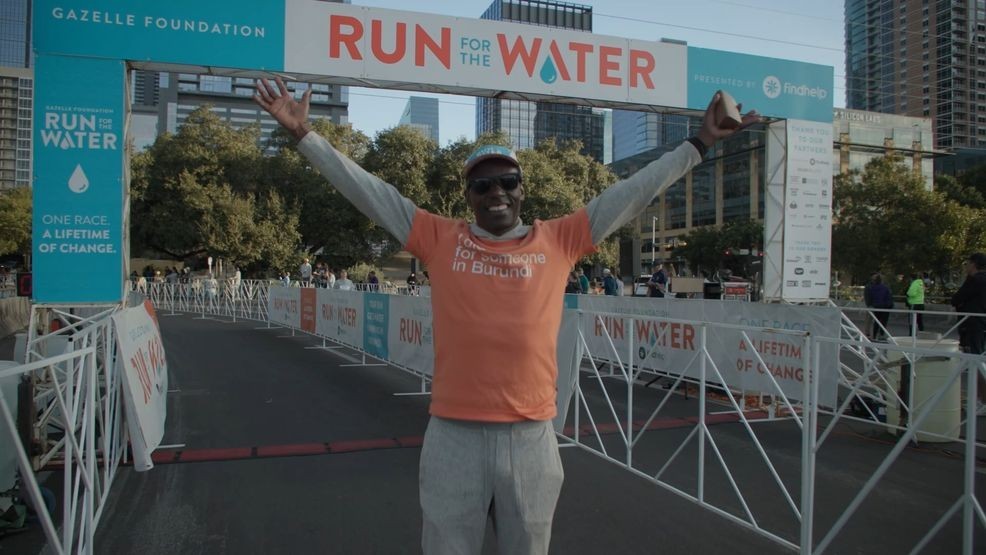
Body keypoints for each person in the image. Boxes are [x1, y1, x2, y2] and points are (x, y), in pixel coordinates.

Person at [255, 76, 756, 554]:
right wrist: (304, 133)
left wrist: (699, 144)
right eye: (482, 185)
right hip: (453, 436)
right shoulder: (437, 237)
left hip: (531, 438)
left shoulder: (560, 238)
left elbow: (634, 193)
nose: (496, 191)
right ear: (468, 197)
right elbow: (367, 189)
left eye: (507, 181)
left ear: (522, 190)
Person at [951, 253, 986, 414]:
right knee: (979, 361)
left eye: (968, 263)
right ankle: (980, 400)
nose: (966, 266)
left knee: (976, 363)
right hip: (980, 324)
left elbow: (957, 299)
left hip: (973, 325)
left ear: (974, 264)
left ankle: (981, 401)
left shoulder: (975, 281)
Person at [863, 273, 893, 340]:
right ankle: (875, 334)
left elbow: (869, 296)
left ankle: (874, 335)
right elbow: (888, 297)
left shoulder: (873, 287)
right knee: (879, 321)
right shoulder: (882, 287)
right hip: (879, 306)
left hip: (876, 305)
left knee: (876, 321)